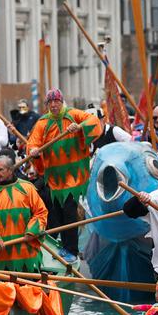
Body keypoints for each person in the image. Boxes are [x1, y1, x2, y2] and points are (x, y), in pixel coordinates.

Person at [25, 88, 102, 260]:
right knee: (56, 213)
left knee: (69, 212)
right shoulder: (42, 123)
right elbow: (32, 142)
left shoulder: (73, 114)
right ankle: (62, 247)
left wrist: (80, 127)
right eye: (50, 102)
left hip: (72, 177)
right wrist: (33, 151)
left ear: (62, 102)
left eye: (56, 101)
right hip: (53, 178)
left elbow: (94, 121)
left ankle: (72, 250)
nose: (54, 105)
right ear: (46, 105)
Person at [0, 155, 49, 273]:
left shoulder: (27, 188)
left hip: (28, 253)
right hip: (4, 256)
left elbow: (41, 212)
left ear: (10, 170)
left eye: (0, 170)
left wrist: (32, 231)